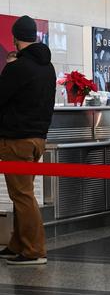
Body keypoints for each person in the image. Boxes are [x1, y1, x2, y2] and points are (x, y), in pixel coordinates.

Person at [0, 15, 56, 265]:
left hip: (16, 139)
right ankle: (17, 244)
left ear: (15, 38)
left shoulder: (17, 68)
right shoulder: (48, 67)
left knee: (22, 195)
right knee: (21, 193)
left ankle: (34, 250)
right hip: (37, 139)